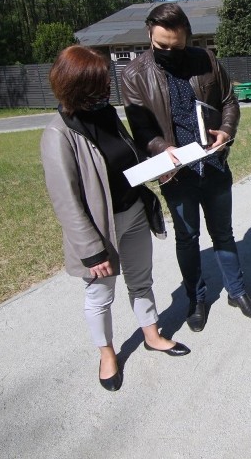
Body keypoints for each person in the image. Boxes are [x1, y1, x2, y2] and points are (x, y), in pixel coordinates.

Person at [40, 45, 190, 393]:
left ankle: (151, 334)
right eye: (101, 82)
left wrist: (160, 163)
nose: (109, 87)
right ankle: (107, 354)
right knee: (99, 296)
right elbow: (66, 202)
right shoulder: (58, 135)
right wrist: (92, 251)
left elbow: (128, 160)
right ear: (77, 86)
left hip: (134, 214)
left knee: (141, 281)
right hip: (99, 232)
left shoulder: (106, 113)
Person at [121, 2, 251, 333]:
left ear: (187, 37)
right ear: (149, 35)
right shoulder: (134, 75)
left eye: (177, 46)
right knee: (187, 238)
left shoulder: (205, 60)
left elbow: (228, 100)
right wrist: (161, 148)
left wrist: (226, 130)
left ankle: (238, 292)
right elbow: (140, 127)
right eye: (161, 47)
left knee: (223, 233)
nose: (170, 52)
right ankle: (196, 299)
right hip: (176, 172)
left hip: (213, 165)